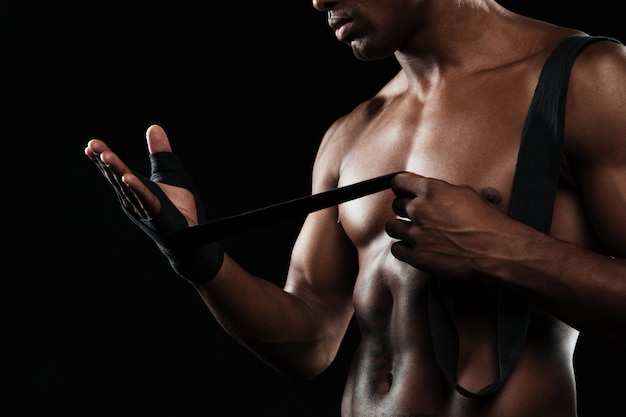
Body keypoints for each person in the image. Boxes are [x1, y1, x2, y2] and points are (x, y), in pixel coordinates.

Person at [84, 0, 626, 415]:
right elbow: (309, 339)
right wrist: (196, 256)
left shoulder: (586, 78)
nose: (319, 1)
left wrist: (502, 250)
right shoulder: (352, 132)